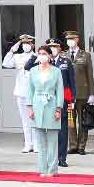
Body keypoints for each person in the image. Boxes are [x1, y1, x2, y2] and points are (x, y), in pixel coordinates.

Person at [28, 46, 65, 177]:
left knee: (53, 141)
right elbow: (30, 90)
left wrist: (58, 108)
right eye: (39, 53)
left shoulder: (56, 71)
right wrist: (30, 108)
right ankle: (42, 169)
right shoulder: (32, 70)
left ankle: (52, 169)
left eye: (44, 53)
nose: (42, 56)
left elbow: (60, 90)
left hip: (51, 104)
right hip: (37, 104)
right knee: (40, 142)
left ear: (49, 56)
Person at [1, 34, 38, 153]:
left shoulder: (37, 56)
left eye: (28, 43)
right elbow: (6, 63)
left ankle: (36, 144)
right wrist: (12, 50)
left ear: (32, 44)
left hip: (33, 91)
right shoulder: (18, 56)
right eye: (24, 43)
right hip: (21, 91)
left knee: (34, 118)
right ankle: (28, 144)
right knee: (25, 119)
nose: (26, 45)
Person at [64, 30, 94, 154]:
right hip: (69, 94)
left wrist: (92, 93)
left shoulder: (85, 55)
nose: (69, 41)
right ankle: (73, 145)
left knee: (83, 121)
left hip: (83, 93)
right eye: (68, 39)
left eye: (72, 39)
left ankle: (81, 146)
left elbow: (90, 75)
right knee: (71, 120)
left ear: (77, 40)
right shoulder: (64, 55)